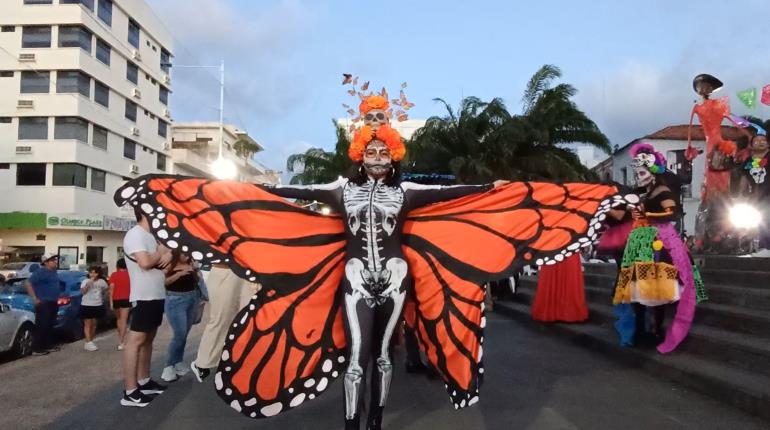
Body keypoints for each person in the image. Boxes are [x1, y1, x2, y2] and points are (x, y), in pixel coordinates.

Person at [114, 88, 624, 428]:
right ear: (360, 153)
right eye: (370, 151)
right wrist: (210, 190)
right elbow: (286, 193)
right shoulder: (341, 193)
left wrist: (501, 187)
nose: (378, 157)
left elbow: (467, 192)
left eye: (386, 152)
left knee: (382, 354)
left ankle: (374, 423)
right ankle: (353, 424)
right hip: (354, 276)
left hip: (398, 275)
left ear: (394, 156)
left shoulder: (410, 195)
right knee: (358, 356)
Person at [611, 143, 704, 353]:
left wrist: (647, 216)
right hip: (639, 242)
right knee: (636, 288)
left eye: (642, 172)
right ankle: (642, 328)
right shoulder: (642, 193)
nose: (638, 176)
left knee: (659, 288)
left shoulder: (661, 190)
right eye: (637, 172)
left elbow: (673, 213)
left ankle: (656, 328)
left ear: (652, 171)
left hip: (659, 242)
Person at [120, 208, 172, 407]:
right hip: (143, 296)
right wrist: (160, 252)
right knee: (136, 341)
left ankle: (144, 380)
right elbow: (145, 263)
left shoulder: (150, 237)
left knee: (148, 338)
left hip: (156, 294)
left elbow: (163, 266)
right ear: (146, 213)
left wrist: (164, 256)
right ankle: (130, 390)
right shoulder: (135, 235)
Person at [190, 264, 257, 382]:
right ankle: (203, 363)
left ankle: (239, 364)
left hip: (250, 275)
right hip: (225, 272)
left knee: (248, 322)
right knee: (221, 319)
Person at [160, 250, 200, 382]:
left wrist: (195, 270)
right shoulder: (169, 265)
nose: (187, 256)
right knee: (179, 334)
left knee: (184, 334)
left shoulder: (191, 265)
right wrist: (179, 274)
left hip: (192, 297)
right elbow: (163, 283)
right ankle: (169, 366)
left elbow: (198, 281)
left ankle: (178, 362)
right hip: (175, 300)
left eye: (189, 254)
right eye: (184, 253)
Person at [737, 131, 770, 254]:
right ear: (751, 145)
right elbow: (744, 178)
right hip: (756, 197)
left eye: (763, 140)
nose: (760, 142)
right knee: (760, 221)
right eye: (757, 140)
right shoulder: (748, 162)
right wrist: (741, 194)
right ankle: (763, 247)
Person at [531, 253, 588, 323]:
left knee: (567, 277)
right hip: (557, 249)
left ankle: (553, 311)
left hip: (559, 249)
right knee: (568, 277)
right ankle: (565, 312)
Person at [25, 253, 61, 356]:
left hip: (53, 302)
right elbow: (28, 283)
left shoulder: (54, 272)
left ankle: (48, 345)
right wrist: (34, 298)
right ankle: (37, 348)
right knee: (42, 325)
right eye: (52, 260)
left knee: (50, 325)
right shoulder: (40, 272)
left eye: (55, 259)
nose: (55, 261)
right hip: (44, 302)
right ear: (45, 262)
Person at [80, 266, 108, 351]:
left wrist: (103, 297)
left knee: (94, 324)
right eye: (91, 272)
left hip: (97, 304)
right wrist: (89, 284)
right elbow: (83, 292)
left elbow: (106, 290)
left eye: (95, 272)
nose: (92, 274)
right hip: (86, 304)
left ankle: (90, 341)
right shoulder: (85, 281)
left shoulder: (102, 282)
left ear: (98, 274)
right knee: (87, 323)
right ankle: (88, 342)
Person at [108, 258, 131, 350]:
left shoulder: (114, 275)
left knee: (119, 319)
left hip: (116, 299)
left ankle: (120, 338)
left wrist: (111, 302)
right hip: (126, 299)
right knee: (124, 320)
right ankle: (122, 342)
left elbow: (111, 289)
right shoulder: (130, 275)